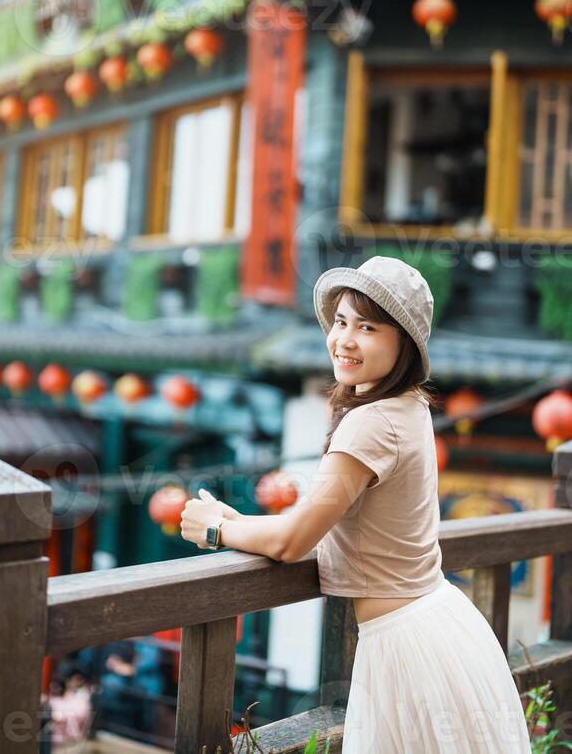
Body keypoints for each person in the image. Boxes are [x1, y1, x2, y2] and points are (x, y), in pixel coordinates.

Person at [180, 256, 531, 752]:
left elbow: (292, 540)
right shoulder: (409, 407)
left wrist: (214, 527)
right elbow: (332, 525)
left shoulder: (371, 423)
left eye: (367, 327)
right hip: (438, 624)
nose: (344, 339)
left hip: (407, 645)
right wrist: (244, 521)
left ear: (401, 343)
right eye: (341, 321)